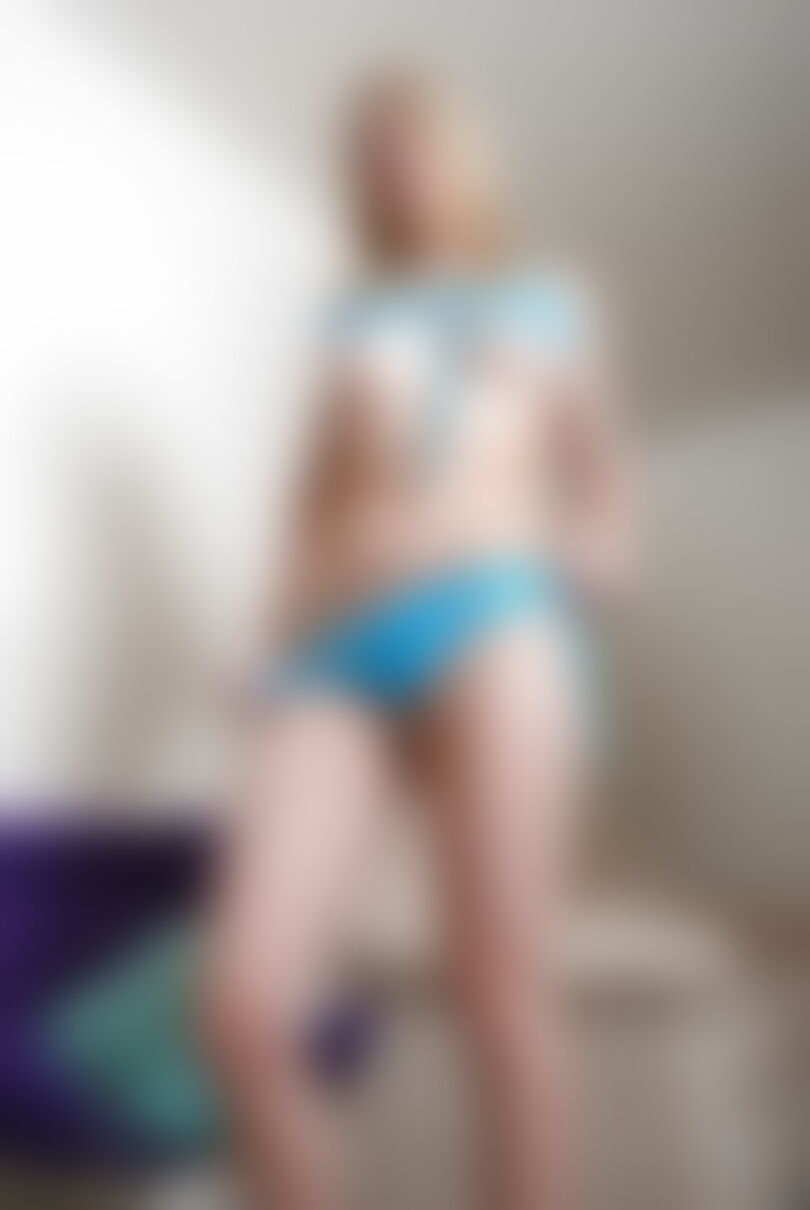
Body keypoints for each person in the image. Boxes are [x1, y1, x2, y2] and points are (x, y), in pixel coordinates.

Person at [203, 68, 633, 1210]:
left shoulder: (548, 296)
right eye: (370, 152)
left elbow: (600, 482)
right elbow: (309, 506)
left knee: (498, 990)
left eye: (412, 141)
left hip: (489, 606)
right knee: (243, 1008)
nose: (393, 165)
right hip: (329, 645)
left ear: (462, 152)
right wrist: (260, 636)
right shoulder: (347, 319)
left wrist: (597, 543)